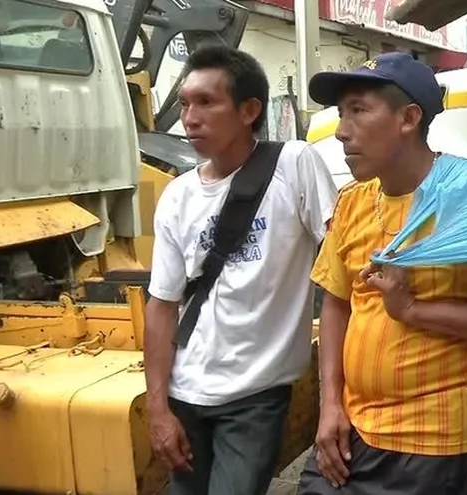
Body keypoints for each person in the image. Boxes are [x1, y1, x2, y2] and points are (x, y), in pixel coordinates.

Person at [296, 52, 467, 495]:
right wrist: (330, 405)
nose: (340, 131)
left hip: (437, 443)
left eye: (358, 110)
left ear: (409, 118)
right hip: (354, 430)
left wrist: (412, 309)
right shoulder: (353, 201)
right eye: (341, 113)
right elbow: (337, 303)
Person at [143, 45, 338, 495]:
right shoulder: (177, 196)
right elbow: (162, 305)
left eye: (207, 102)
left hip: (254, 398)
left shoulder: (294, 164)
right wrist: (158, 408)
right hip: (184, 392)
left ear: (249, 110)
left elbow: (342, 264)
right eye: (186, 102)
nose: (190, 117)